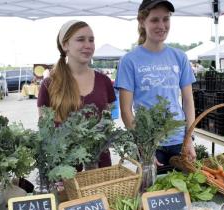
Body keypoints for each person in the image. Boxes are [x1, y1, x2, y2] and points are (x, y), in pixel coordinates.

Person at [114, 0, 196, 169]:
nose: (161, 25)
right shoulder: (129, 61)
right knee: (150, 192)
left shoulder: (180, 57)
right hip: (150, 144)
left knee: (187, 192)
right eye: (154, 20)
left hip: (179, 141)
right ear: (142, 22)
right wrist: (144, 147)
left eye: (166, 19)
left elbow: (188, 101)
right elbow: (125, 110)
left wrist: (189, 138)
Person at [37, 20, 116, 168]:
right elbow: (45, 131)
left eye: (91, 40)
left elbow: (107, 123)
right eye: (81, 39)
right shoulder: (49, 85)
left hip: (100, 167)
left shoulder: (104, 81)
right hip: (65, 171)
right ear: (65, 45)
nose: (88, 45)